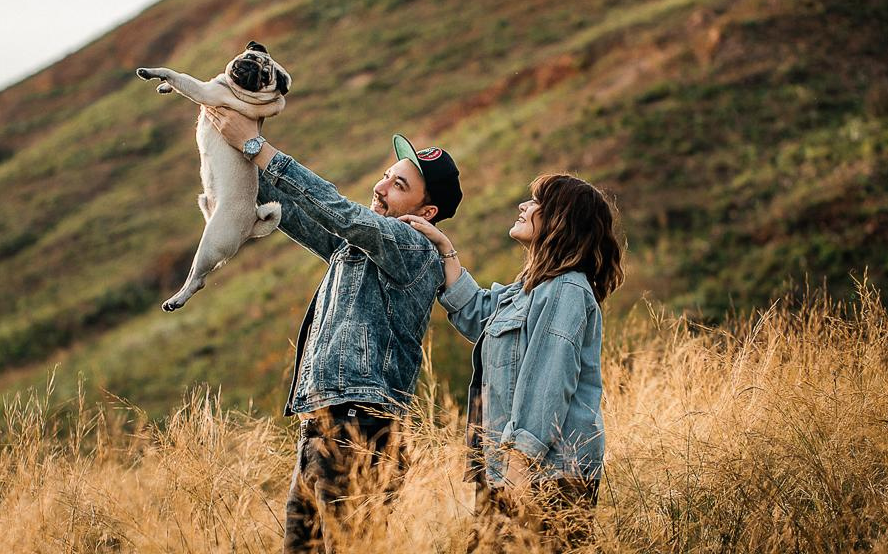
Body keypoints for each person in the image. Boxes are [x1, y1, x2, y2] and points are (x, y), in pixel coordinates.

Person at [206, 107, 463, 554]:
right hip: (326, 425)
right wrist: (227, 137)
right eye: (386, 175)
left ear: (427, 210)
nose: (381, 187)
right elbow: (292, 209)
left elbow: (339, 211)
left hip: (360, 427)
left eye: (398, 185)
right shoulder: (357, 248)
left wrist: (256, 146)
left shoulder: (413, 245)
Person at [401, 173, 623, 550]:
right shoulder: (527, 290)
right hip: (508, 469)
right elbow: (476, 312)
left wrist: (518, 469)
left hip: (546, 475)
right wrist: (443, 248)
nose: (524, 206)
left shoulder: (566, 289)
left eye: (537, 202)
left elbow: (546, 385)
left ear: (560, 221)